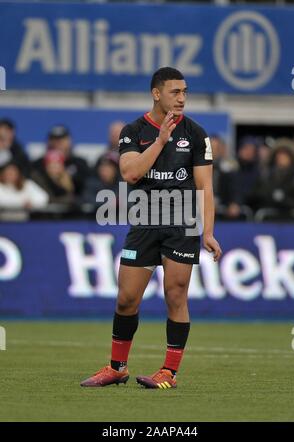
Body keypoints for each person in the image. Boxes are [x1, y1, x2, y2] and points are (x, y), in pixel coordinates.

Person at [80, 67, 222, 389]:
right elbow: (130, 173)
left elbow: (205, 187)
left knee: (176, 294)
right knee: (126, 299)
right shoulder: (133, 131)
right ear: (157, 94)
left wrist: (209, 232)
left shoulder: (197, 135)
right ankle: (117, 367)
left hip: (181, 222)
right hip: (144, 220)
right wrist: (159, 142)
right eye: (175, 92)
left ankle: (168, 373)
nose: (182, 98)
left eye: (185, 91)